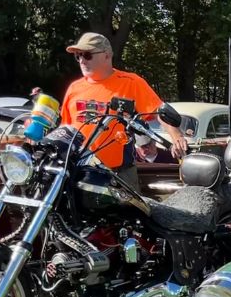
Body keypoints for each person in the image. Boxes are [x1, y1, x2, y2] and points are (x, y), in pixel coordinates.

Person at [59, 32, 186, 190]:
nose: (82, 61)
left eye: (87, 55)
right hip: (79, 171)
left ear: (106, 55)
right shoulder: (74, 88)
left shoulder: (131, 82)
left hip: (118, 174)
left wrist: (177, 137)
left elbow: (159, 112)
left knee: (127, 214)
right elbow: (64, 129)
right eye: (78, 56)